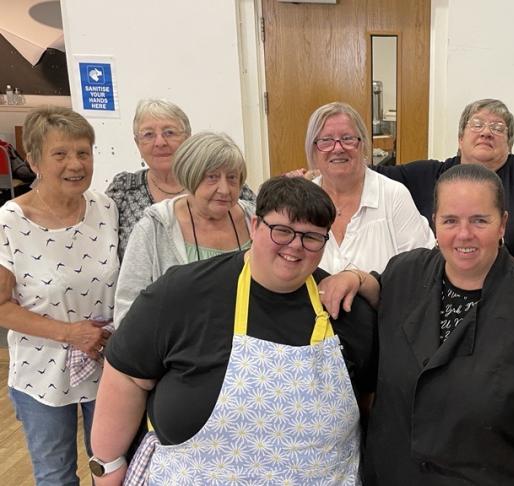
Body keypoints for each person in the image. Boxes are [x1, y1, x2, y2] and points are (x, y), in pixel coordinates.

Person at [89, 176, 377, 485]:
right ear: (254, 226)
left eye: (311, 236)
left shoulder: (345, 310)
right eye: (281, 230)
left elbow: (368, 403)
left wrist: (360, 278)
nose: (295, 245)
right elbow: (127, 376)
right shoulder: (181, 293)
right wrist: (107, 464)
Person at [321, 164, 514, 485]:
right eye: (450, 220)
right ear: (434, 223)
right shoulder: (404, 274)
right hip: (394, 474)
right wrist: (354, 276)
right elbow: (378, 288)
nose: (463, 234)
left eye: (479, 220)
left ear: (503, 224)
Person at [0, 106, 119, 484]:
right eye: (60, 154)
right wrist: (70, 333)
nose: (76, 164)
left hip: (107, 363)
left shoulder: (106, 207)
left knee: (112, 469)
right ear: (33, 160)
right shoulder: (10, 221)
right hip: (42, 372)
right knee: (56, 476)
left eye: (84, 152)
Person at [373, 98, 514, 263]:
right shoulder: (427, 174)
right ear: (460, 138)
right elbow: (366, 174)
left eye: (497, 128)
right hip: (437, 288)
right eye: (477, 124)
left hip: (510, 291)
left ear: (509, 143)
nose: (486, 132)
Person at [113, 132, 254, 326]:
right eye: (212, 177)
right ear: (190, 177)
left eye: (232, 178)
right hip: (180, 351)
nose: (224, 189)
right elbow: (128, 311)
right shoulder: (155, 228)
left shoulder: (255, 221)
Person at [105, 99, 255, 258]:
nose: (160, 142)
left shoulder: (232, 189)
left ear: (188, 138)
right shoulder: (124, 190)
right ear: (137, 143)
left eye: (169, 132)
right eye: (148, 135)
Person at [305, 102, 434, 274]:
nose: (338, 148)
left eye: (347, 138)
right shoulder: (302, 202)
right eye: (326, 140)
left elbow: (421, 271)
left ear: (363, 145)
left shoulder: (394, 195)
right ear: (313, 150)